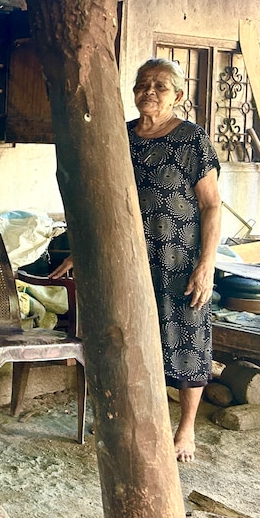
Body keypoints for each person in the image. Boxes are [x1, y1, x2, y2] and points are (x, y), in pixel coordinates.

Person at [51, 57, 221, 462]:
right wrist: (80, 251)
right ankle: (131, 418)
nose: (149, 91)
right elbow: (103, 201)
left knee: (186, 337)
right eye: (143, 84)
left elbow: (212, 206)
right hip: (125, 257)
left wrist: (206, 264)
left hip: (178, 259)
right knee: (125, 334)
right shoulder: (120, 137)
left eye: (160, 86)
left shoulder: (191, 140)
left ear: (178, 96)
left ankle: (185, 432)